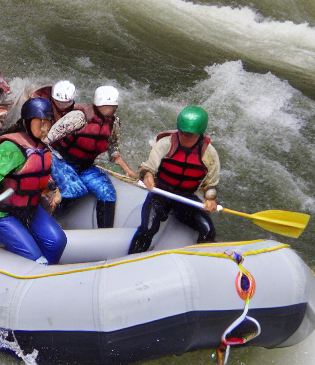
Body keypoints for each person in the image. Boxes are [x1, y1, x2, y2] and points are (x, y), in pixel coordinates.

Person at [0, 97, 66, 265]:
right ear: (27, 122)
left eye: (48, 123)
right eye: (40, 122)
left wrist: (51, 189)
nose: (45, 128)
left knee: (57, 242)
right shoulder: (11, 148)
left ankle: (48, 273)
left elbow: (41, 178)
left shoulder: (42, 149)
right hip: (3, 213)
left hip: (29, 209)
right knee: (36, 259)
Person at [128, 105, 219, 254]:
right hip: (161, 193)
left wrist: (210, 199)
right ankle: (129, 261)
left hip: (186, 198)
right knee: (148, 229)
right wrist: (148, 175)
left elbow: (211, 184)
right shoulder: (166, 144)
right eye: (182, 132)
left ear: (199, 134)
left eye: (189, 135)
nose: (184, 137)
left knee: (208, 230)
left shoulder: (209, 153)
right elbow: (146, 168)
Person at [46, 85, 135, 229]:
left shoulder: (114, 123)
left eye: (113, 106)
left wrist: (128, 170)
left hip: (85, 165)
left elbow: (113, 150)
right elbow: (48, 139)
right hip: (60, 159)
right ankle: (49, 221)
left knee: (107, 193)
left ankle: (105, 235)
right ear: (99, 104)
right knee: (74, 189)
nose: (112, 109)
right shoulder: (78, 117)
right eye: (108, 106)